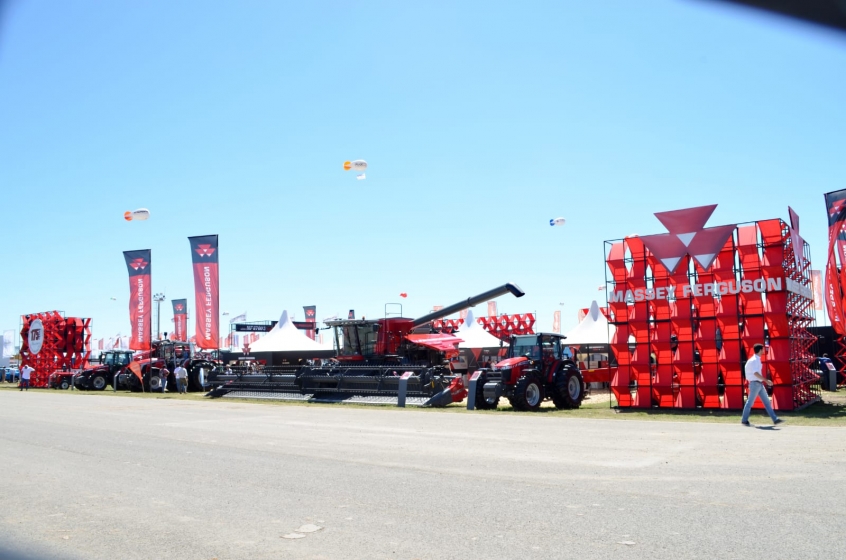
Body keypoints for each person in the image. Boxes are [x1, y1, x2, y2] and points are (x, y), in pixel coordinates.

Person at [741, 343, 783, 426]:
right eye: (763, 349)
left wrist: (763, 381)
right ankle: (744, 420)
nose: (764, 350)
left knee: (767, 402)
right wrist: (766, 380)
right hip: (755, 384)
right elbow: (755, 373)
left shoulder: (756, 359)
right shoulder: (754, 360)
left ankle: (775, 419)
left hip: (758, 384)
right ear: (760, 350)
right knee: (750, 403)